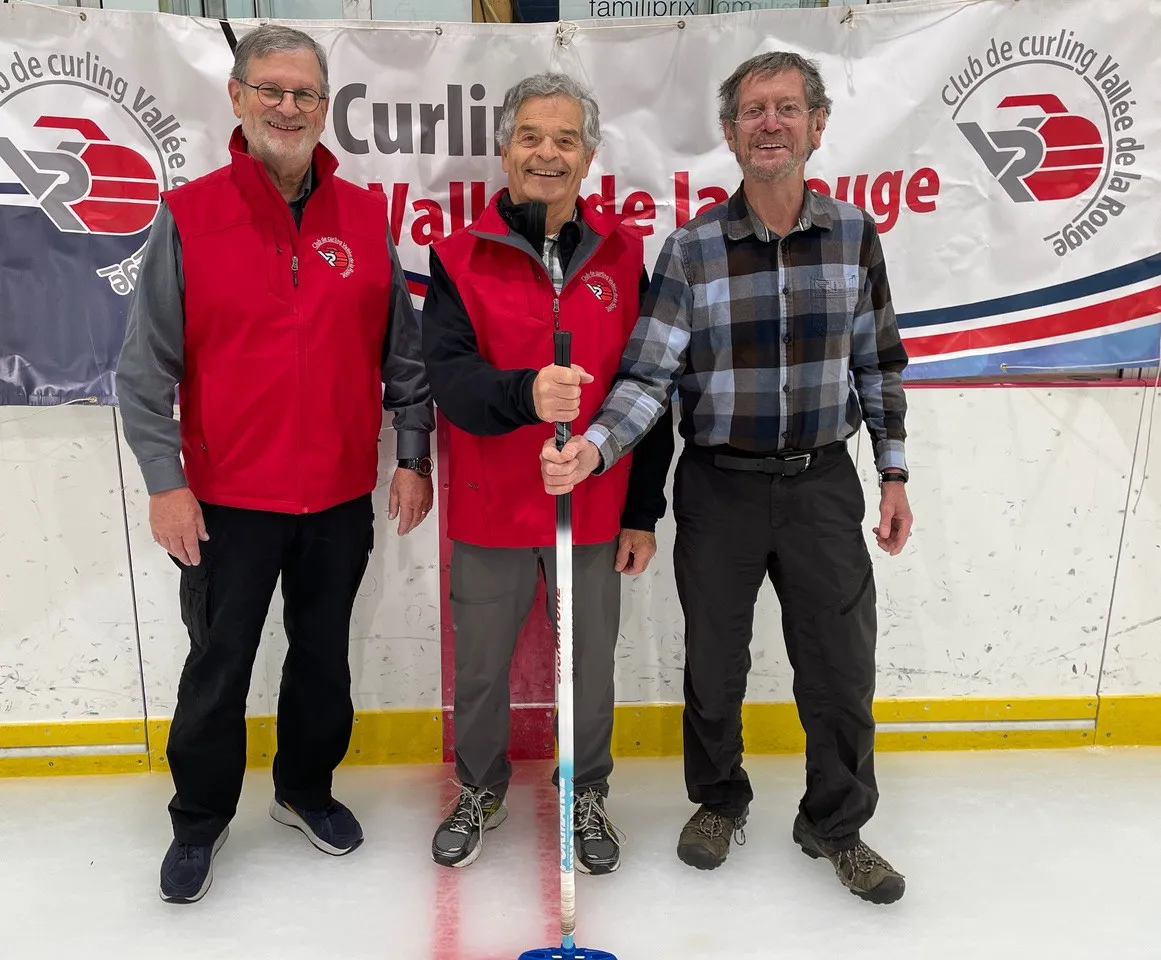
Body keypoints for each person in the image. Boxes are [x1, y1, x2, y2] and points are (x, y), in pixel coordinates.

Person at [540, 52, 913, 904]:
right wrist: (596, 446)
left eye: (786, 108)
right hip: (719, 487)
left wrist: (891, 471)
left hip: (823, 485)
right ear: (730, 133)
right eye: (752, 111)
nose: (769, 123)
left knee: (840, 668)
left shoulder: (855, 236)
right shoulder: (693, 250)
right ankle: (718, 799)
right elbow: (647, 378)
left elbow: (878, 364)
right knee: (713, 663)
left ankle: (835, 824)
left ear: (817, 126)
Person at [115, 24, 435, 904]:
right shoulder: (189, 217)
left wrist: (412, 455)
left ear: (324, 107)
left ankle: (304, 790)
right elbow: (143, 374)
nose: (287, 108)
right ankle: (201, 819)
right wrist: (166, 483)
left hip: (337, 496)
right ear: (238, 98)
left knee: (323, 659)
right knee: (217, 669)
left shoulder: (365, 216)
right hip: (225, 501)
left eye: (304, 94)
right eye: (271, 90)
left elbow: (402, 358)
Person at [420, 72, 674, 875]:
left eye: (565, 139)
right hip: (493, 509)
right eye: (530, 135)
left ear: (589, 154)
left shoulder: (625, 256)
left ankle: (586, 789)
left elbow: (654, 387)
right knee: (484, 668)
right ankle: (479, 785)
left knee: (589, 665)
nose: (546, 153)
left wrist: (642, 509)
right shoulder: (458, 257)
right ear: (503, 149)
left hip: (594, 509)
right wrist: (525, 392)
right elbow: (452, 384)